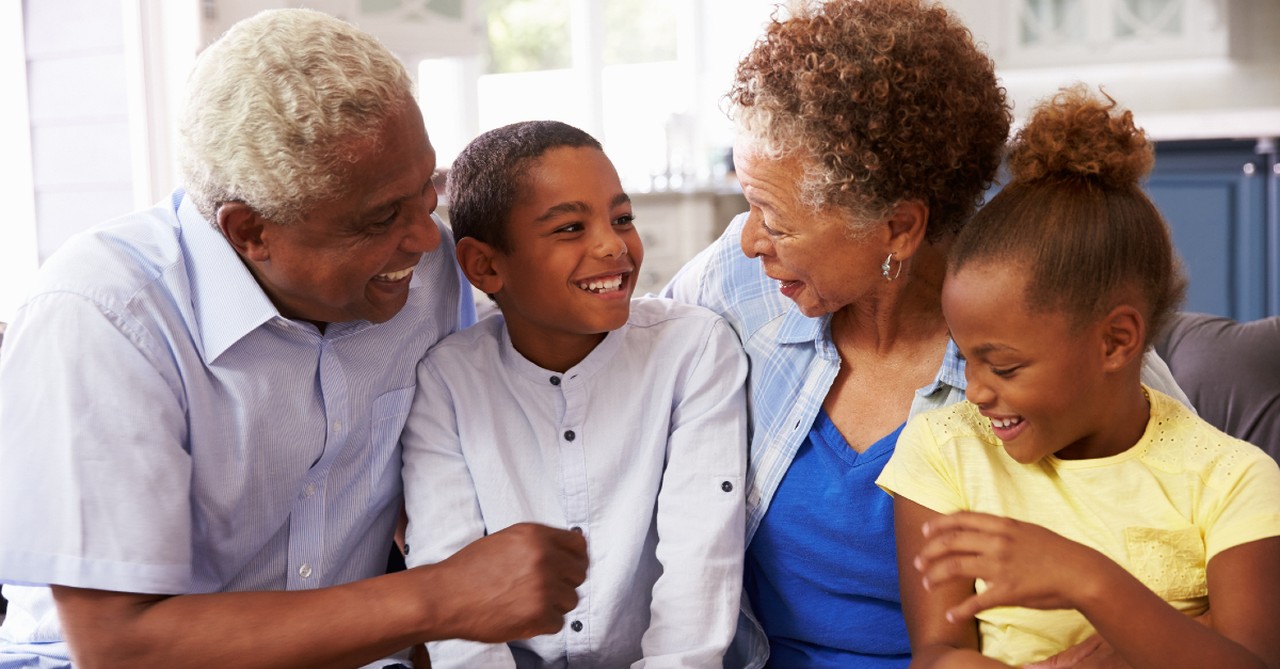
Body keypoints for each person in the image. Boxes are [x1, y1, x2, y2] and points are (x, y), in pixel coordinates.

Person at [0, 9, 587, 669]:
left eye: (427, 192)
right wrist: (439, 597)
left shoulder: (423, 276)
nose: (426, 238)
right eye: (382, 216)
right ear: (249, 230)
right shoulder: (103, 317)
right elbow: (119, 644)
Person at [662, 1, 1191, 667]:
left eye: (775, 216)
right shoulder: (739, 284)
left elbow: (1204, 532)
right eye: (748, 202)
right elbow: (616, 370)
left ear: (900, 228)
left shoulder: (1042, 336)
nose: (749, 238)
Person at [877, 85, 1280, 669]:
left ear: (1116, 341)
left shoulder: (1233, 480)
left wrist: (1089, 581)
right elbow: (940, 654)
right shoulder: (945, 450)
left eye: (1005, 365)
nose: (977, 390)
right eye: (965, 357)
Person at [400, 120, 749, 667]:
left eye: (622, 218)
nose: (613, 245)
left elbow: (698, 575)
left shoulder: (694, 350)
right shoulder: (447, 380)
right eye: (569, 229)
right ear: (485, 266)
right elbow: (452, 587)